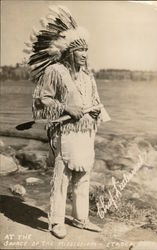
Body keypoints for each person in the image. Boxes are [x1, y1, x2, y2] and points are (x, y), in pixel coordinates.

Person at [25, 5, 110, 239]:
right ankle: (55, 221)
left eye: (87, 50)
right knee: (61, 175)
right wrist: (66, 108)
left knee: (83, 174)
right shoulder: (55, 70)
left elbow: (95, 100)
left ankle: (81, 218)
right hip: (65, 131)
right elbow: (43, 99)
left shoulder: (87, 75)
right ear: (70, 51)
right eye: (81, 50)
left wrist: (95, 111)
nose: (85, 54)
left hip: (86, 131)